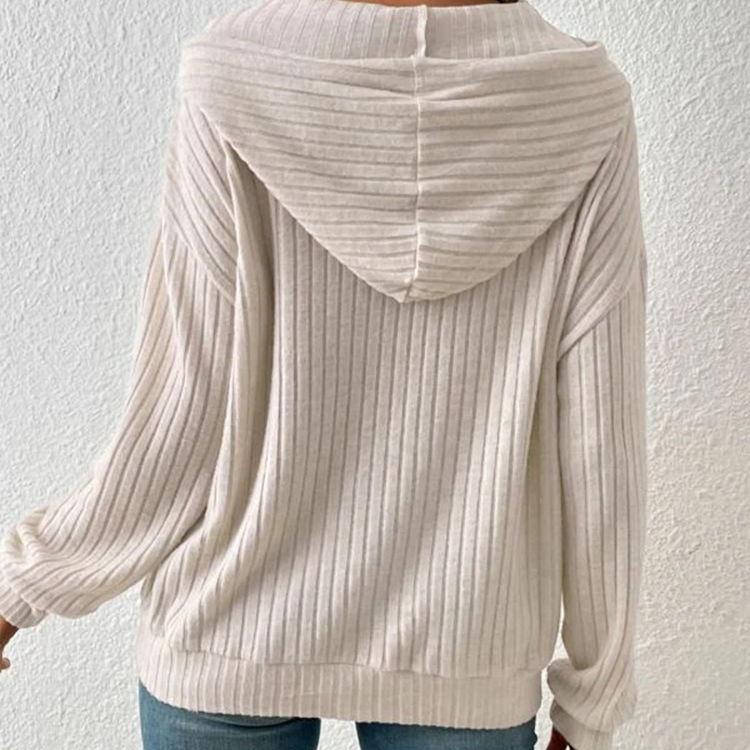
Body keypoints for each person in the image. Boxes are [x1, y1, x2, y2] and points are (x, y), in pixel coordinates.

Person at [0, 0, 648, 749]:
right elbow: (602, 441)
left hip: (227, 628)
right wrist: (592, 700)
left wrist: (24, 584)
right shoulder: (584, 106)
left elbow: (182, 414)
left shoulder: (232, 77)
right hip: (468, 642)